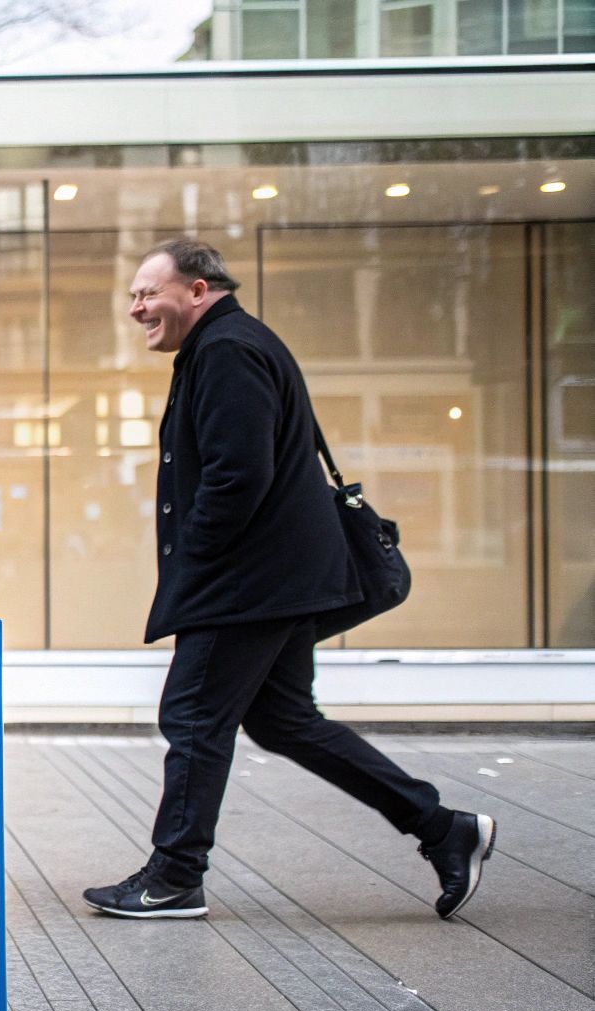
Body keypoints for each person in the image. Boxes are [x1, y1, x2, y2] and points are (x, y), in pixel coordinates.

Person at [82, 239, 495, 922]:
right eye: (133, 296)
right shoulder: (230, 343)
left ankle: (176, 875)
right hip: (272, 577)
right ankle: (443, 828)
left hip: (249, 583)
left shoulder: (226, 350)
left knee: (193, 716)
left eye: (147, 292)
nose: (136, 308)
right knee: (283, 721)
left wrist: (197, 557)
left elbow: (239, 473)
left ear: (197, 289)